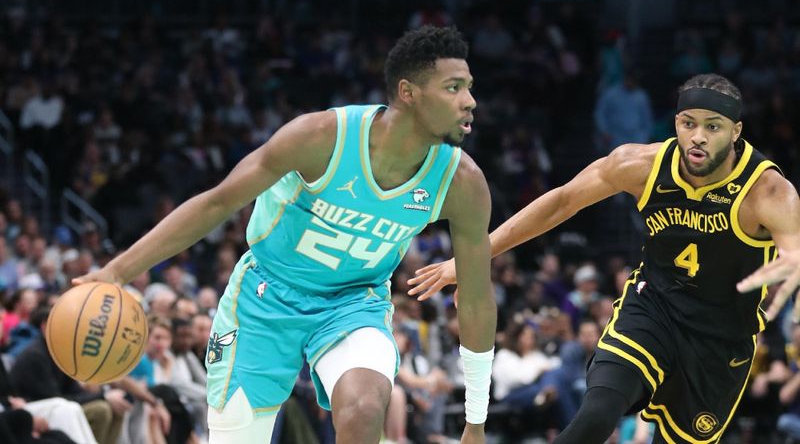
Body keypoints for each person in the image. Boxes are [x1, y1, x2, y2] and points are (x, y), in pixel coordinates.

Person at [74, 25, 497, 444]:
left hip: (353, 302)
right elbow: (218, 203)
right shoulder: (321, 138)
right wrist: (117, 271)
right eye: (454, 88)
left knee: (366, 408)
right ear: (408, 92)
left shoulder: (462, 183)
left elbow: (476, 299)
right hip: (265, 295)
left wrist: (475, 422)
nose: (469, 102)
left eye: (469, 87)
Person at [410, 73, 800, 443]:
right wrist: (475, 258)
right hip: (654, 308)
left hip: (721, 335)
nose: (697, 137)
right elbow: (562, 202)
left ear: (736, 132)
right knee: (596, 416)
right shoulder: (640, 165)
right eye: (687, 123)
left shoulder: (767, 193)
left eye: (713, 126)